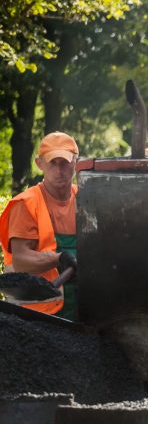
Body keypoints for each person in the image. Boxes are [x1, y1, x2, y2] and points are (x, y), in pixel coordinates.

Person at [0, 132, 80, 320]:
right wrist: (59, 259)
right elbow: (21, 261)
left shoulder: (84, 198)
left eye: (65, 163)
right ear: (40, 163)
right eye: (53, 163)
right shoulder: (26, 204)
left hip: (79, 309)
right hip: (37, 315)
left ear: (77, 163)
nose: (59, 170)